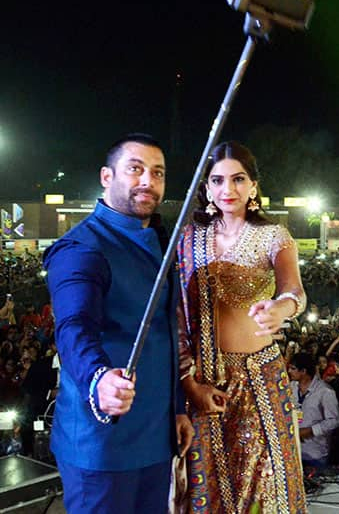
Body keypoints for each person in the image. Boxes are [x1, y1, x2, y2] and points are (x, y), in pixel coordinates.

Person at [43, 133, 193, 514]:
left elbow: (164, 336)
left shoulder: (159, 241)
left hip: (156, 437)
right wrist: (98, 378)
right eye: (135, 169)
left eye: (157, 173)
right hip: (103, 443)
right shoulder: (81, 248)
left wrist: (176, 408)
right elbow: (74, 327)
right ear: (107, 177)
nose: (148, 181)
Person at [177, 141, 307, 513]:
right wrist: (188, 381)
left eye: (238, 179)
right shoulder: (188, 240)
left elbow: (294, 290)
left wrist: (282, 309)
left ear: (253, 186)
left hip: (259, 381)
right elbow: (176, 317)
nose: (227, 190)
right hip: (203, 383)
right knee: (207, 487)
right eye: (217, 181)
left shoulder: (273, 236)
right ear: (205, 188)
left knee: (264, 490)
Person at [288, 352, 339, 470]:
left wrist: (311, 431)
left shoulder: (325, 391)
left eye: (293, 368)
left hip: (315, 453)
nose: (289, 371)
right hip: (293, 452)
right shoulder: (290, 387)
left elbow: (334, 421)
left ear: (304, 371)